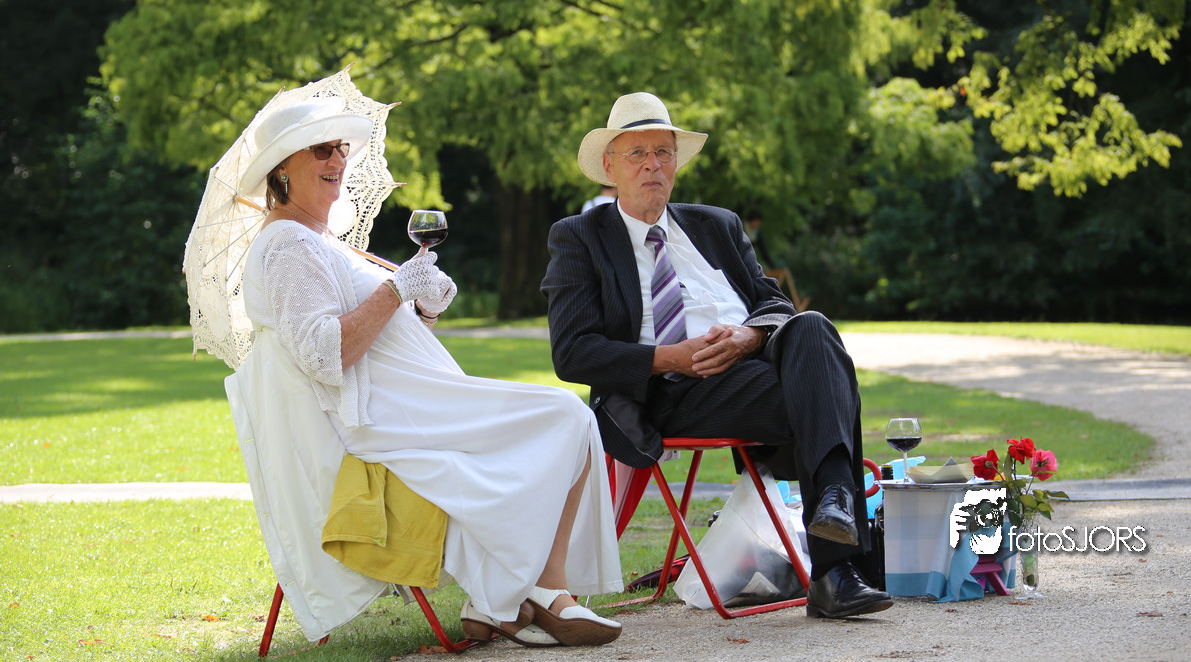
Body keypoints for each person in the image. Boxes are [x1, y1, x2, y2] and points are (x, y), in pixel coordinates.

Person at [235, 99, 623, 647]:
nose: (337, 160)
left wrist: (421, 310)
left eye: (339, 148)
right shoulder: (289, 245)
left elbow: (381, 340)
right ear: (282, 170)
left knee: (571, 419)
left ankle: (520, 595)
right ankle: (533, 594)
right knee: (566, 415)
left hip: (415, 401)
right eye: (320, 150)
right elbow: (325, 353)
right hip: (385, 419)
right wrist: (398, 288)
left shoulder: (319, 240)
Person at [542, 92, 892, 620]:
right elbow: (572, 352)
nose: (653, 164)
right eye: (637, 154)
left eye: (663, 151)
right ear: (610, 167)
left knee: (813, 327)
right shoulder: (580, 237)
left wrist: (749, 337)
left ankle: (835, 515)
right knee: (828, 389)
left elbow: (774, 305)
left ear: (676, 162)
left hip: (754, 367)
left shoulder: (716, 225)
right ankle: (835, 566)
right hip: (670, 391)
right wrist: (670, 358)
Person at [743, 208, 810, 311]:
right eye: (757, 221)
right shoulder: (741, 228)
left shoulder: (756, 233)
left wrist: (773, 267)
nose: (758, 224)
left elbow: (764, 252)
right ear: (752, 220)